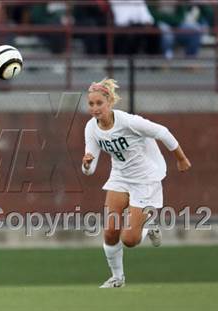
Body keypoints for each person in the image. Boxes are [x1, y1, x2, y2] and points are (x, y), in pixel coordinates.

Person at [81, 78, 191, 288]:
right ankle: (117, 278)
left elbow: (162, 132)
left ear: (110, 102)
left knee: (129, 240)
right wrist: (86, 164)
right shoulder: (91, 128)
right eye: (91, 104)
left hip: (145, 179)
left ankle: (149, 225)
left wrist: (181, 158)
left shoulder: (129, 122)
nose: (95, 108)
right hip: (120, 177)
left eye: (99, 103)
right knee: (110, 231)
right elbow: (90, 170)